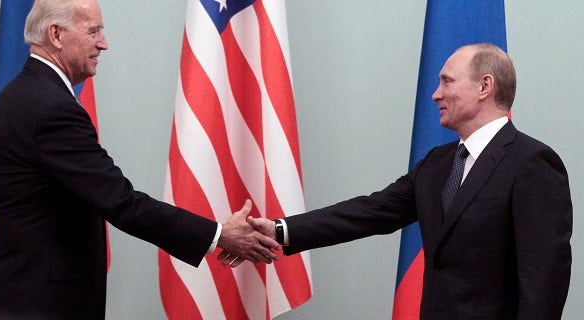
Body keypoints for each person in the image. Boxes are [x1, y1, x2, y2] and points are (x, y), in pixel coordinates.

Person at [0, 0, 279, 319]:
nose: (103, 43)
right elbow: (121, 202)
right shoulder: (52, 109)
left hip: (18, 297)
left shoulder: (18, 97)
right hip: (43, 306)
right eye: (93, 31)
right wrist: (219, 235)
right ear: (56, 34)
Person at [235, 43, 573, 319]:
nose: (436, 94)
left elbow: (543, 282)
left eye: (447, 81)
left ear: (485, 86)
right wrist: (280, 230)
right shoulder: (438, 165)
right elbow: (369, 212)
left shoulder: (531, 163)